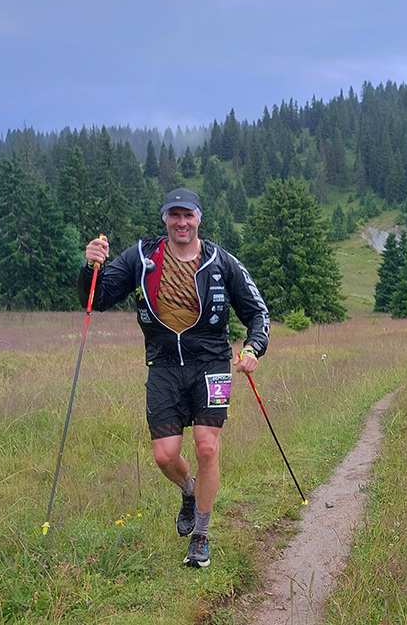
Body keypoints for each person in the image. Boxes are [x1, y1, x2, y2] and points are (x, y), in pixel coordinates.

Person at [80, 187, 270, 569]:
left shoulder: (221, 261)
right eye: (174, 215)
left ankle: (200, 536)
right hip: (164, 365)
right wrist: (90, 265)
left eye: (188, 215)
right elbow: (96, 299)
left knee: (207, 449)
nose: (181, 222)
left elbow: (257, 312)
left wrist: (253, 348)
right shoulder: (142, 257)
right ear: (165, 218)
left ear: (199, 218)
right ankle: (189, 490)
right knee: (164, 455)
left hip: (212, 363)